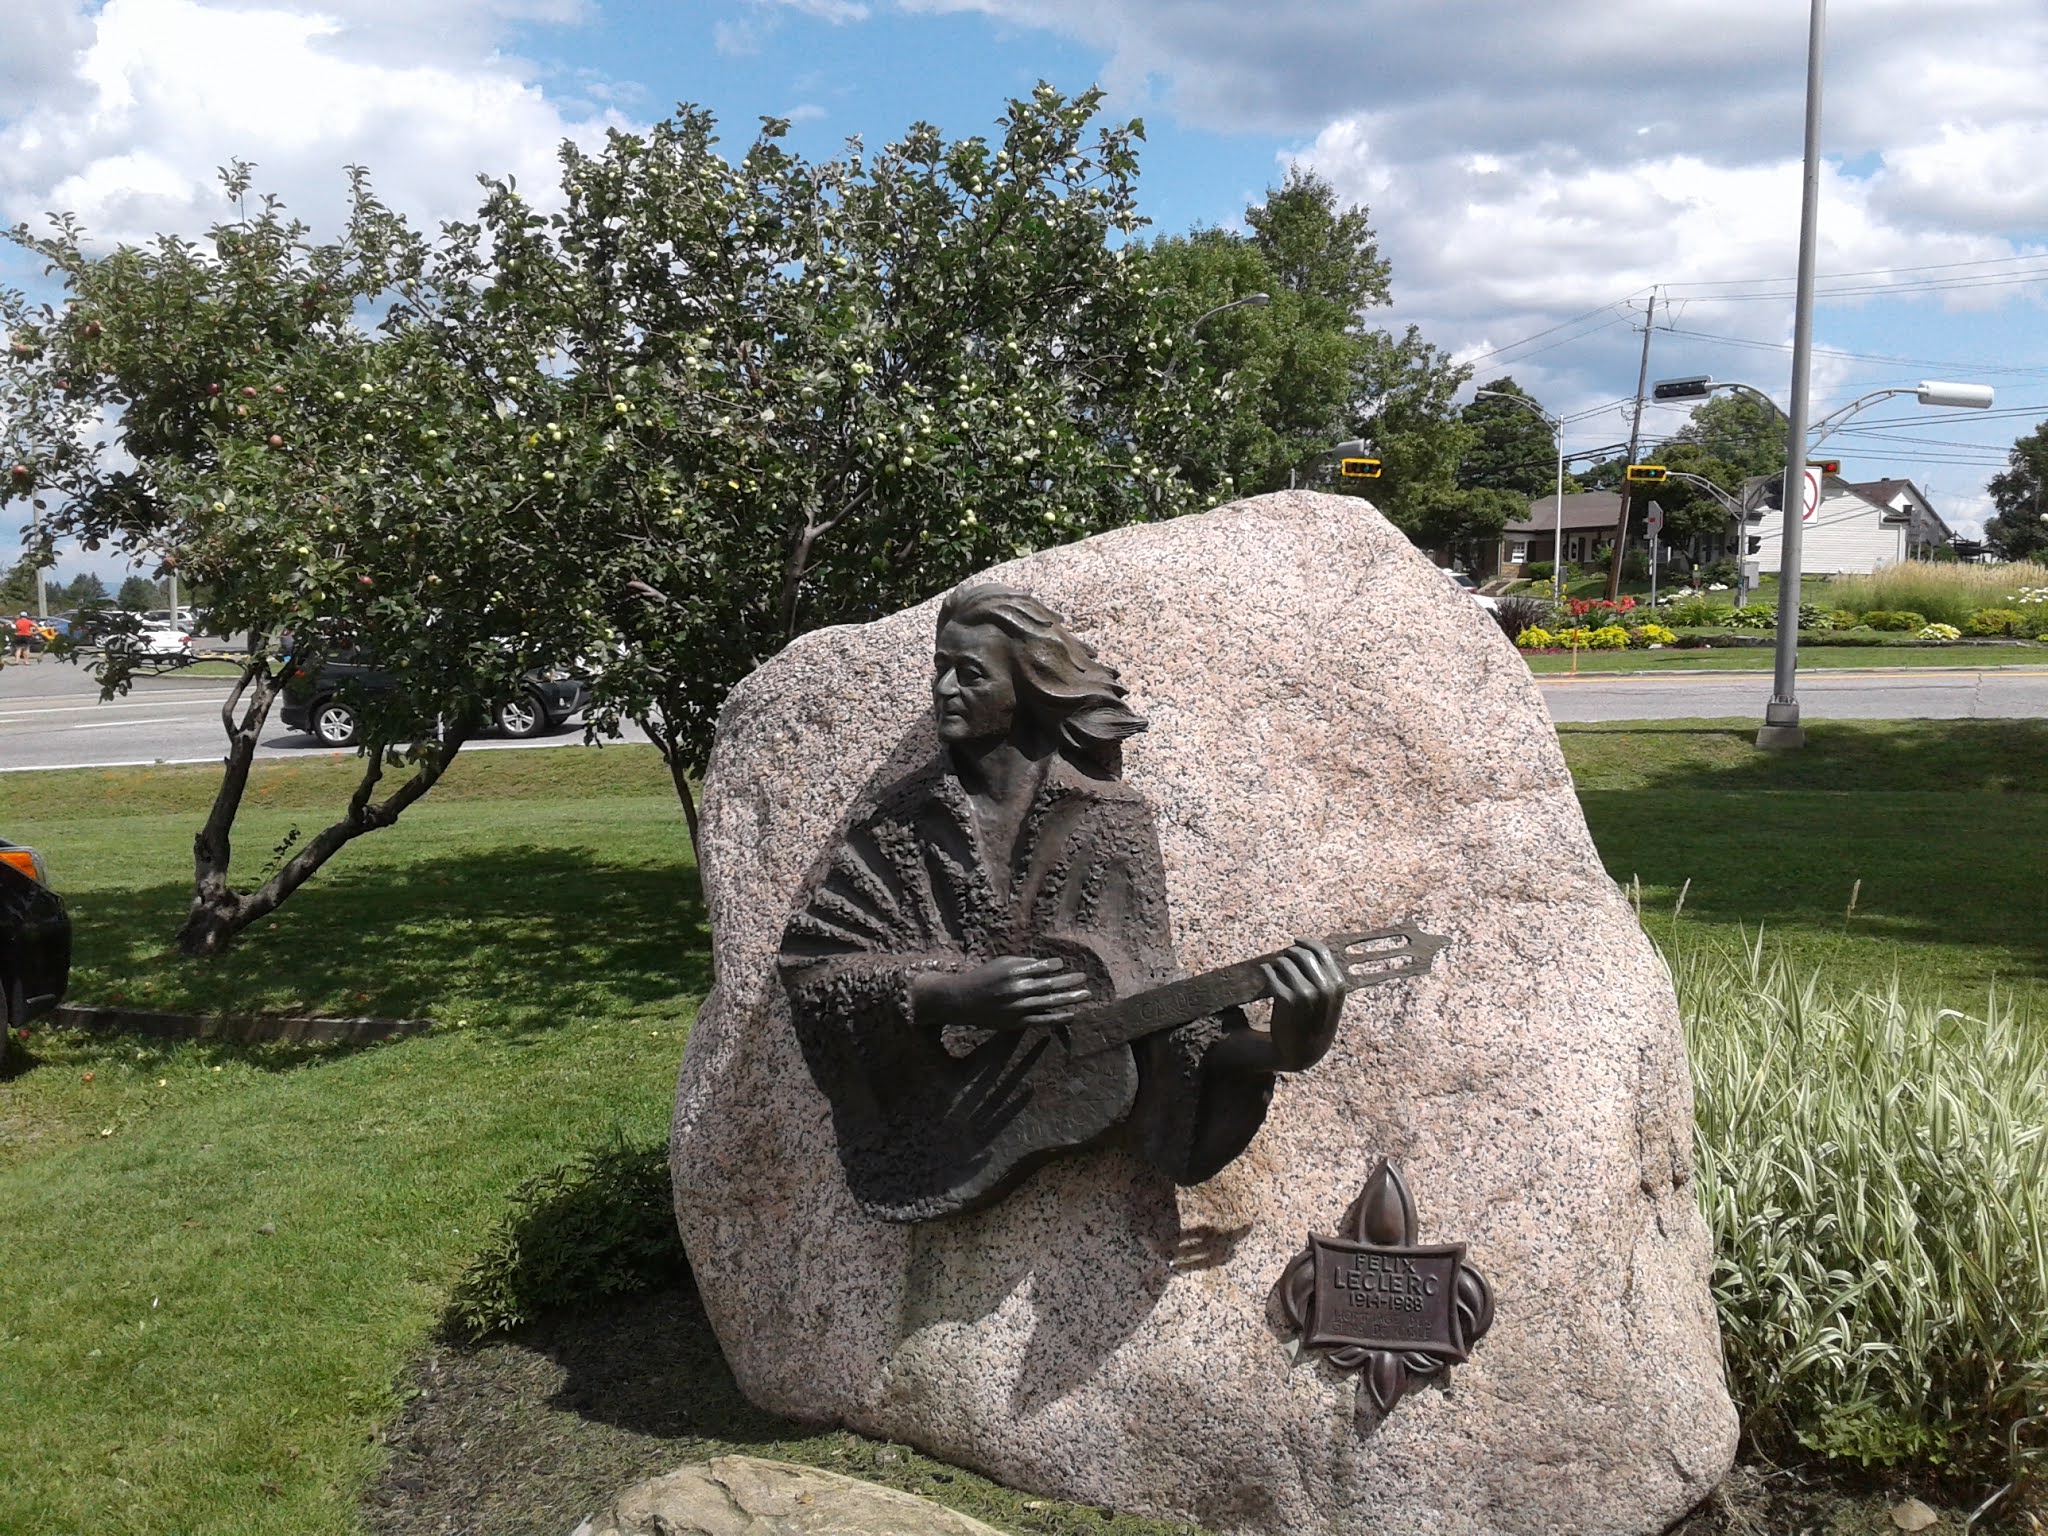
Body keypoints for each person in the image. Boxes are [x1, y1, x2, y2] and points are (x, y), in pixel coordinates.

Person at [779, 583, 1346, 1222]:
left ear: (1028, 687)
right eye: (940, 669)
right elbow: (815, 970)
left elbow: (1153, 1003)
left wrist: (1282, 1050)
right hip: (927, 1128)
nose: (943, 690)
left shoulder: (1110, 820)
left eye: (968, 673)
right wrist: (944, 994)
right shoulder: (899, 824)